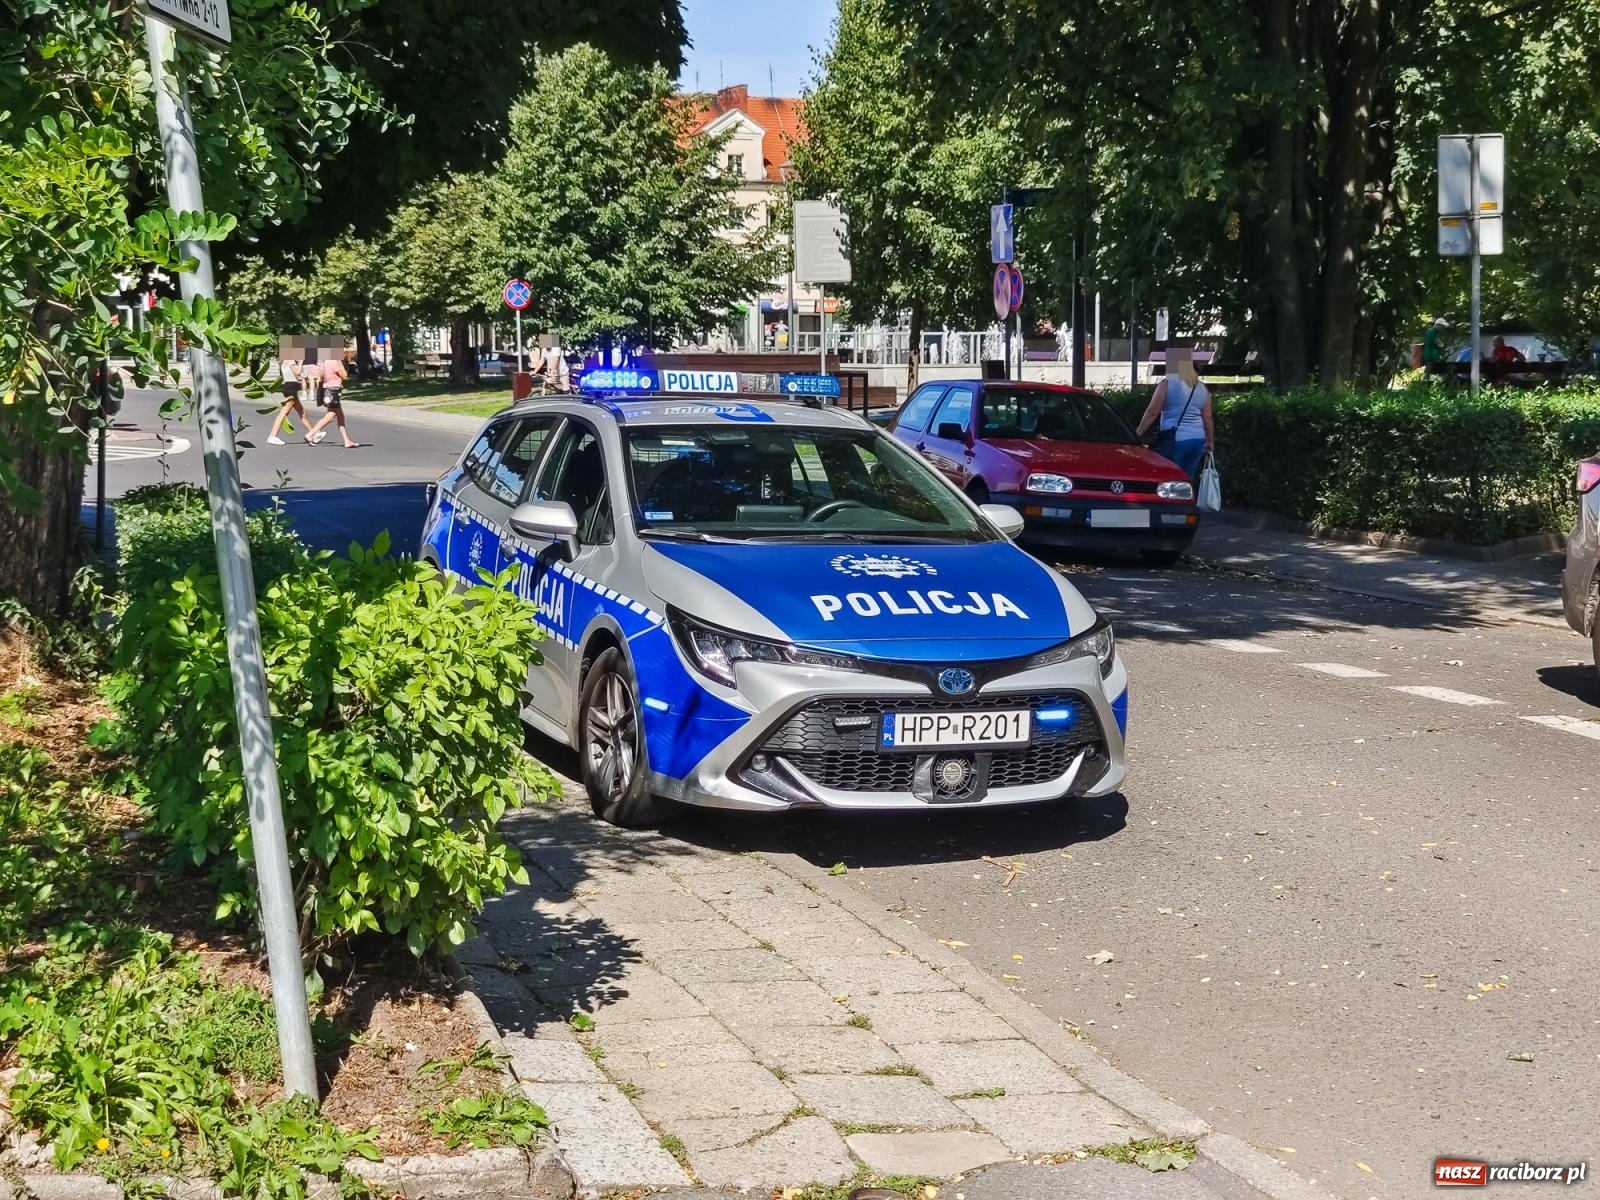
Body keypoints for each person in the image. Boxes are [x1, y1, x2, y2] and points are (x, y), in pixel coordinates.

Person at [1135, 348, 1213, 479]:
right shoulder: (1202, 387)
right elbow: (1208, 417)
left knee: (1171, 481)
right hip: (1198, 440)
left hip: (1174, 440)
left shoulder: (1166, 385)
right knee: (1188, 480)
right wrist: (1210, 441)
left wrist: (1137, 434)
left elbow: (1152, 413)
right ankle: (1188, 499)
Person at [308, 352, 358, 448]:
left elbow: (320, 378)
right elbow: (344, 375)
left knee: (340, 416)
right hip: (334, 390)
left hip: (327, 390)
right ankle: (311, 434)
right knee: (331, 416)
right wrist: (347, 363)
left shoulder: (325, 362)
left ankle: (347, 441)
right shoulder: (335, 361)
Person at [266, 353, 312, 445]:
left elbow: (298, 376)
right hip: (291, 388)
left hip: (291, 387)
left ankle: (313, 433)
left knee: (302, 413)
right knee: (284, 412)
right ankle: (273, 435)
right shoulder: (290, 361)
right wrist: (300, 362)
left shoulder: (286, 361)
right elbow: (298, 372)